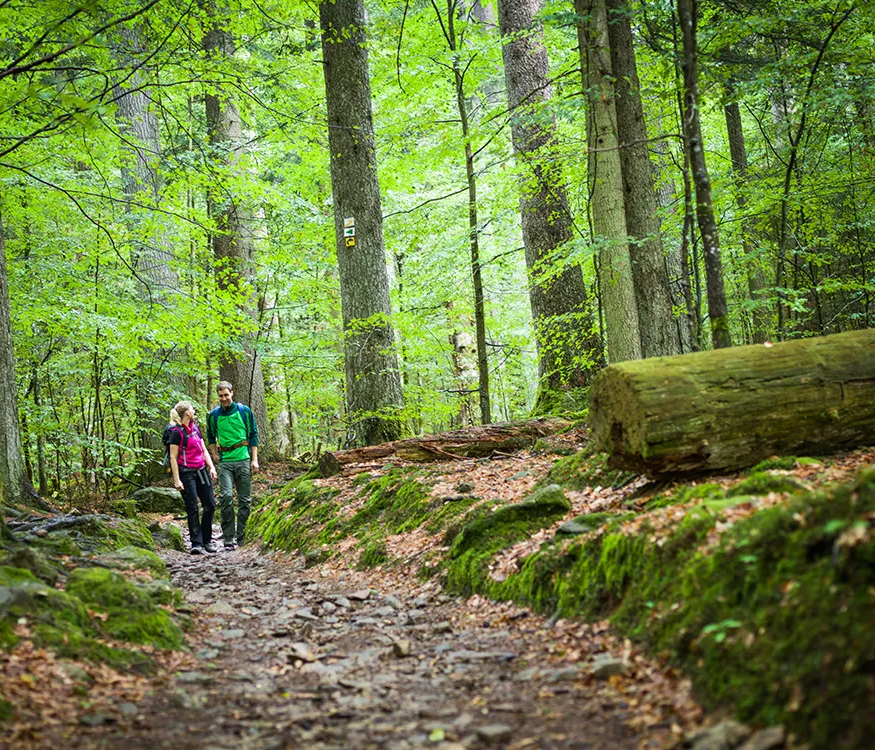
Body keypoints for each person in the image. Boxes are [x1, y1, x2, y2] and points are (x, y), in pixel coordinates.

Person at [207, 381, 259, 551]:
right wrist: (214, 455)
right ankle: (228, 538)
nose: (224, 399)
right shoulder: (214, 415)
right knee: (226, 497)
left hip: (243, 459)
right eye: (221, 396)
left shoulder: (244, 411)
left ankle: (242, 535)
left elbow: (253, 435)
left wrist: (254, 459)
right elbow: (210, 436)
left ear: (232, 393)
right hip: (225, 463)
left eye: (226, 395)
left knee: (245, 500)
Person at [168, 401, 218, 555]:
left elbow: (203, 450)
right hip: (186, 473)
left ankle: (207, 541)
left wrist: (212, 467)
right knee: (193, 508)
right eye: (192, 409)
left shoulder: (195, 429)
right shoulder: (177, 432)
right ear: (187, 413)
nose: (194, 410)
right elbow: (173, 457)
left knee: (210, 504)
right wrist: (177, 479)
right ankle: (196, 543)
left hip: (201, 470)